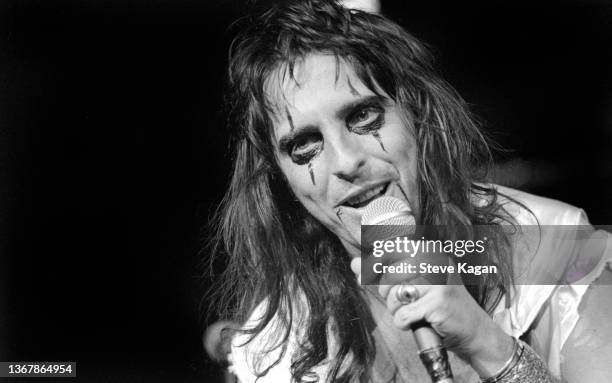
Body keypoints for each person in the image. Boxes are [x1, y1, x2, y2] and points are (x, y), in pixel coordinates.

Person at [207, 1, 612, 382]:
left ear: (417, 115)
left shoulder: (555, 250)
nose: (346, 161)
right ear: (282, 181)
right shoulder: (280, 340)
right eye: (304, 145)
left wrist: (487, 345)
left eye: (363, 115)